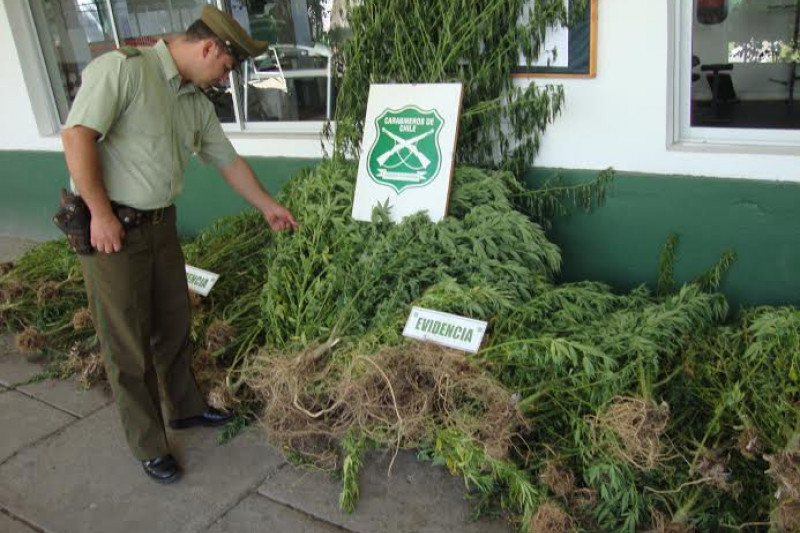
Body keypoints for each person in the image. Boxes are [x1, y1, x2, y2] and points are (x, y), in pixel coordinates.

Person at [60, 5, 297, 484]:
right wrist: (101, 215)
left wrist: (267, 205)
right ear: (209, 47)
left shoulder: (192, 100)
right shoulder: (125, 70)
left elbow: (227, 160)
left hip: (160, 226)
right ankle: (149, 445)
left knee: (173, 325)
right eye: (225, 68)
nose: (222, 78)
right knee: (127, 344)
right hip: (114, 231)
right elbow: (77, 136)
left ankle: (185, 408)